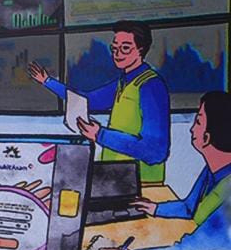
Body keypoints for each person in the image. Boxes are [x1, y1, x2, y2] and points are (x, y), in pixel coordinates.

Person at [96, 90, 231, 250]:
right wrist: (155, 208)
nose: (191, 129)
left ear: (207, 137)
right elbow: (189, 207)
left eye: (198, 122)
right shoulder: (213, 170)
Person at [28, 20, 170, 183]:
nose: (117, 54)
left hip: (143, 182)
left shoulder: (151, 85)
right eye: (114, 48)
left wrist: (100, 134)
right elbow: (87, 100)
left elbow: (156, 151)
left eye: (125, 48)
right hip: (116, 177)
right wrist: (48, 81)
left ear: (141, 49)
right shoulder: (123, 82)